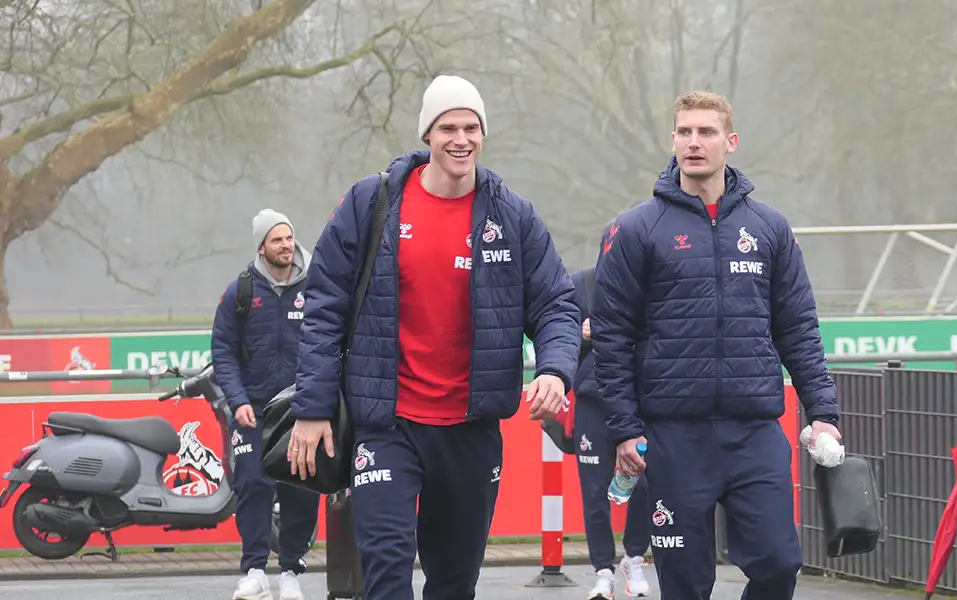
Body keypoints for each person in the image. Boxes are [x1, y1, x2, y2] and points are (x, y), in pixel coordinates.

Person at [286, 74, 583, 600]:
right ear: (428, 133)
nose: (461, 139)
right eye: (449, 127)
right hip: (386, 425)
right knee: (386, 566)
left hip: (471, 431)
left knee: (452, 582)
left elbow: (557, 304)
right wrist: (311, 408)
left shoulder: (511, 215)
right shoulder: (371, 202)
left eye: (472, 127)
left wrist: (556, 370)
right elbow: (324, 306)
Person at [591, 91, 842, 600]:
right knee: (685, 585)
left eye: (706, 132)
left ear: (730, 142)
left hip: (755, 433)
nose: (694, 142)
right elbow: (612, 338)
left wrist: (824, 411)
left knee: (778, 563)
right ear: (673, 141)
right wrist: (623, 428)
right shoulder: (636, 229)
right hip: (673, 437)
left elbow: (798, 327)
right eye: (684, 131)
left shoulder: (768, 227)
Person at [211, 209, 321, 600]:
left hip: (302, 411)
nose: (286, 245)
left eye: (289, 237)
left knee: (301, 488)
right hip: (252, 412)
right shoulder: (240, 291)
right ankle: (254, 571)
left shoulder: (317, 286)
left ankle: (291, 571)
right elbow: (222, 352)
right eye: (277, 240)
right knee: (253, 484)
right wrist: (237, 400)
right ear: (262, 247)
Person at [569, 267, 651, 600]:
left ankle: (634, 558)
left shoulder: (645, 279)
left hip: (638, 401)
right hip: (592, 401)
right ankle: (603, 572)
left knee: (643, 483)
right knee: (594, 490)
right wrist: (581, 333)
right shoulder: (580, 285)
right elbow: (554, 333)